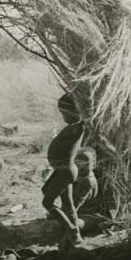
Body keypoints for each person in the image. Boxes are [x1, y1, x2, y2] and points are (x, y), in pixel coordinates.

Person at [42, 93, 98, 245]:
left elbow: (83, 120)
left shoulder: (78, 127)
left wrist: (80, 107)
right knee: (67, 204)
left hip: (66, 170)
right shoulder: (73, 126)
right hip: (62, 170)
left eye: (65, 113)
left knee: (47, 203)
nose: (63, 117)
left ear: (75, 112)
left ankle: (71, 228)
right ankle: (76, 237)